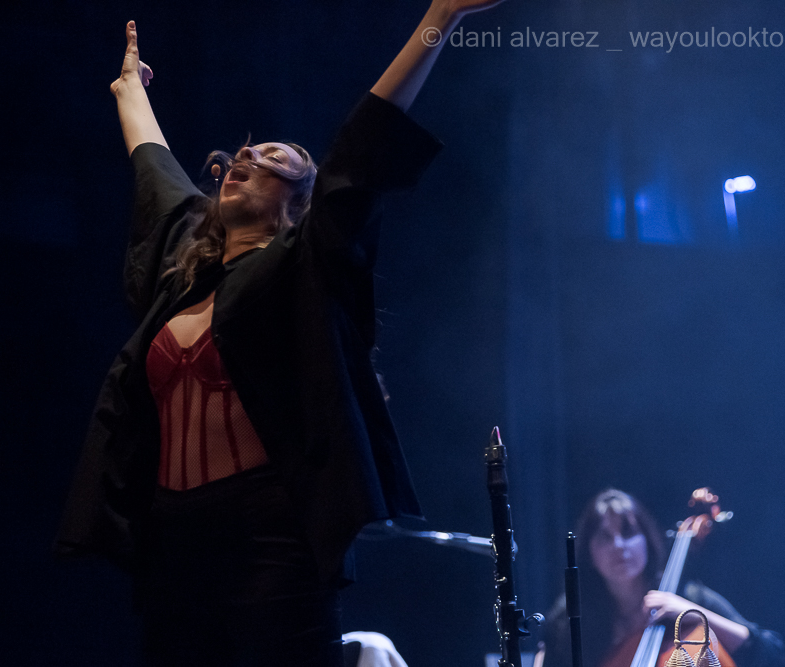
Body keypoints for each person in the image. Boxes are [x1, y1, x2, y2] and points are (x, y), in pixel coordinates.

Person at [55, 3, 505, 666]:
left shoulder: (303, 264)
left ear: (299, 202)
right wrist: (129, 92)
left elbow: (360, 150)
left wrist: (441, 15)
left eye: (272, 159)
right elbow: (156, 173)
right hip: (173, 539)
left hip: (268, 530)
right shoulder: (185, 273)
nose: (245, 157)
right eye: (243, 153)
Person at [542, 489, 785, 667]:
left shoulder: (686, 596)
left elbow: (770, 653)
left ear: (647, 541)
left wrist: (694, 613)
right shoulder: (570, 616)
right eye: (605, 537)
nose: (619, 545)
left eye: (628, 532)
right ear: (588, 551)